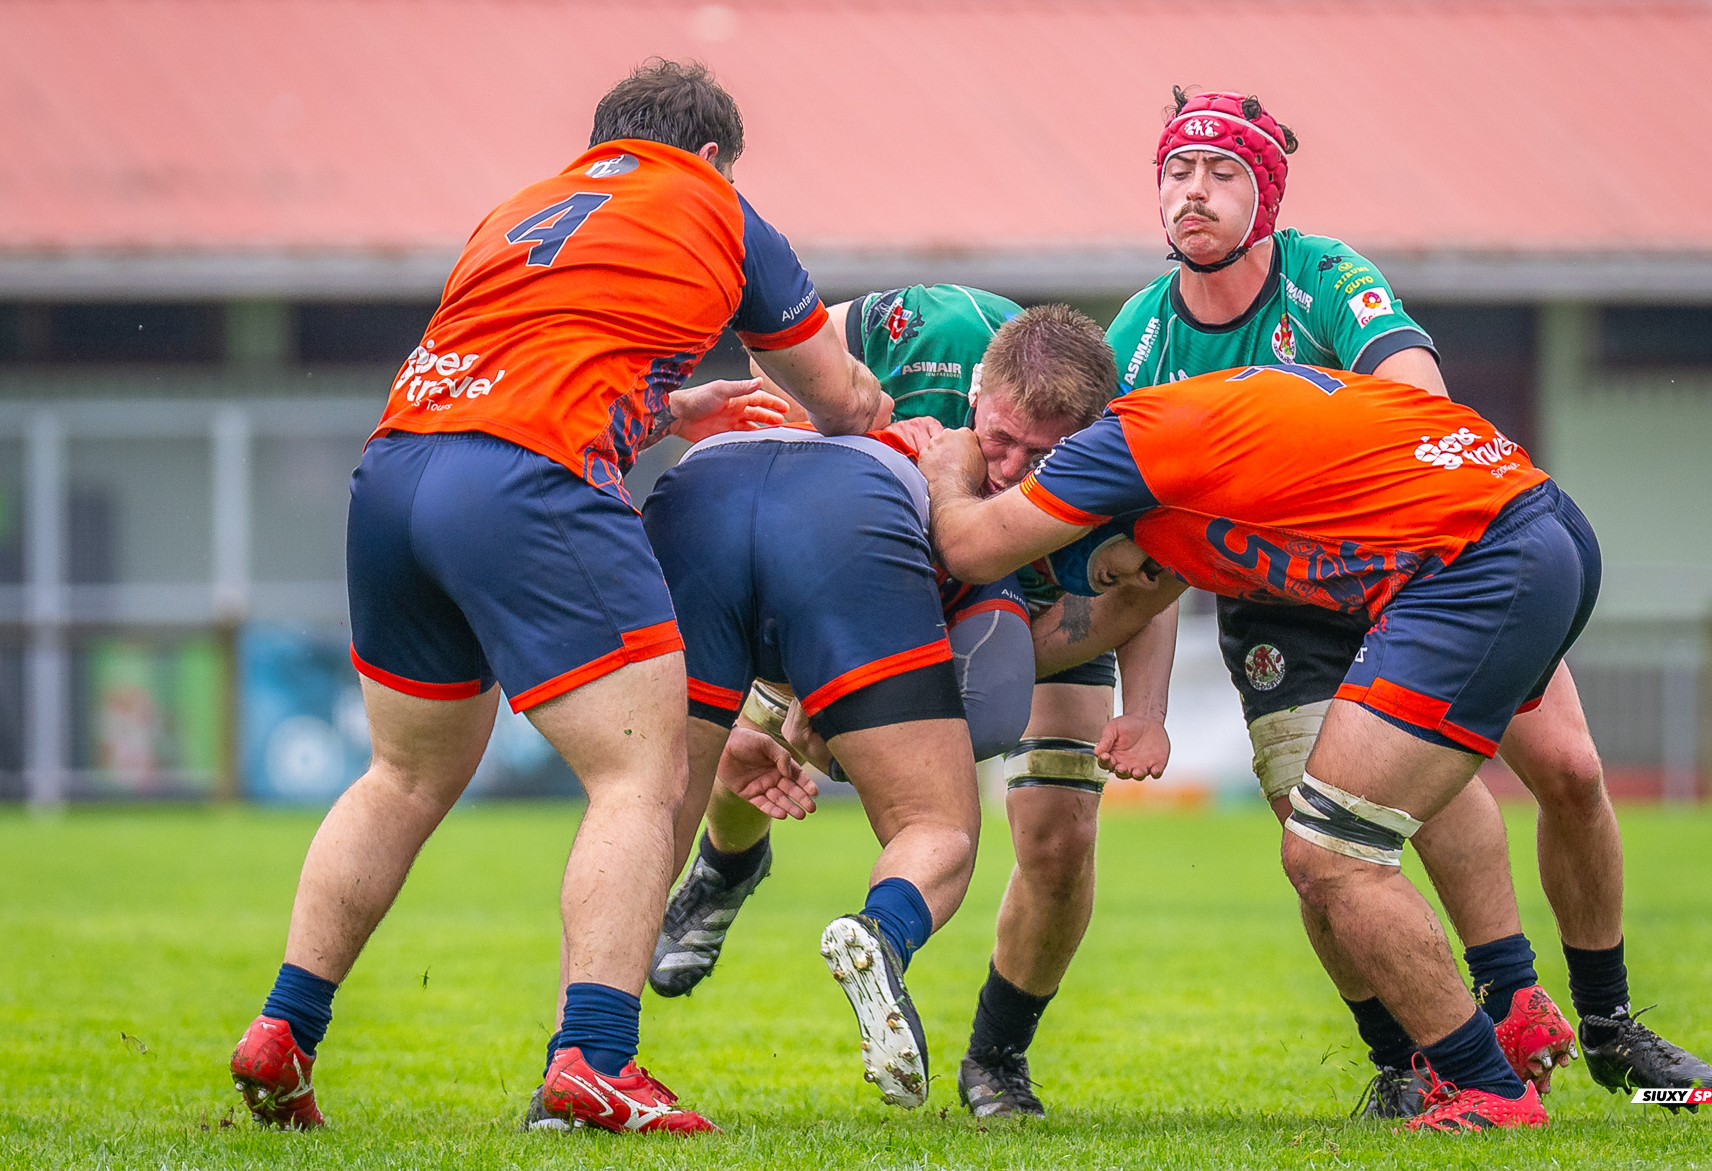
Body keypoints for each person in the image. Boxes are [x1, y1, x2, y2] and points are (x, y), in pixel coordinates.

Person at [227, 59, 888, 1136]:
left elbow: (523, 354)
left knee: (401, 776)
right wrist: (895, 422)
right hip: (526, 480)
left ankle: (284, 1027)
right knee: (642, 775)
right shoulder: (714, 199)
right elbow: (830, 393)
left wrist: (665, 408)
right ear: (714, 153)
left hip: (396, 473)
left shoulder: (524, 206)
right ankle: (595, 1059)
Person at [1099, 87, 1712, 1114]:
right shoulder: (1141, 341)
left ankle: (1601, 1024)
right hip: (1279, 612)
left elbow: (1420, 394)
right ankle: (1411, 1058)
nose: (1192, 194)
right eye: (1176, 171)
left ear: (1268, 194)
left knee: (1568, 769)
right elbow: (1147, 539)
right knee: (1325, 836)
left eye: (1221, 174)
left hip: (1425, 566)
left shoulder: (1325, 277)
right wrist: (1148, 706)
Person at [924, 363, 1601, 1131]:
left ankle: (1490, 1088)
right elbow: (1121, 609)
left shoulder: (1115, 446)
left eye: (1110, 566)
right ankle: (1514, 1008)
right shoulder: (1177, 477)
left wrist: (949, 469)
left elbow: (973, 550)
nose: (1136, 575)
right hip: (1539, 526)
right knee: (1362, 824)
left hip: (1477, 561)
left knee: (1332, 852)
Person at [640, 292, 1174, 1120]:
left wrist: (1147, 708)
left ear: (1090, 438)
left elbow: (1151, 584)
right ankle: (726, 867)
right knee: (750, 748)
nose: (1010, 472)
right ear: (973, 396)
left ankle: (998, 1057)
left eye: (1045, 457)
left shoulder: (1126, 447)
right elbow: (779, 347)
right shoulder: (928, 329)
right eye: (1000, 440)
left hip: (1029, 614)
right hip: (851, 562)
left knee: (1060, 829)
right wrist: (840, 429)